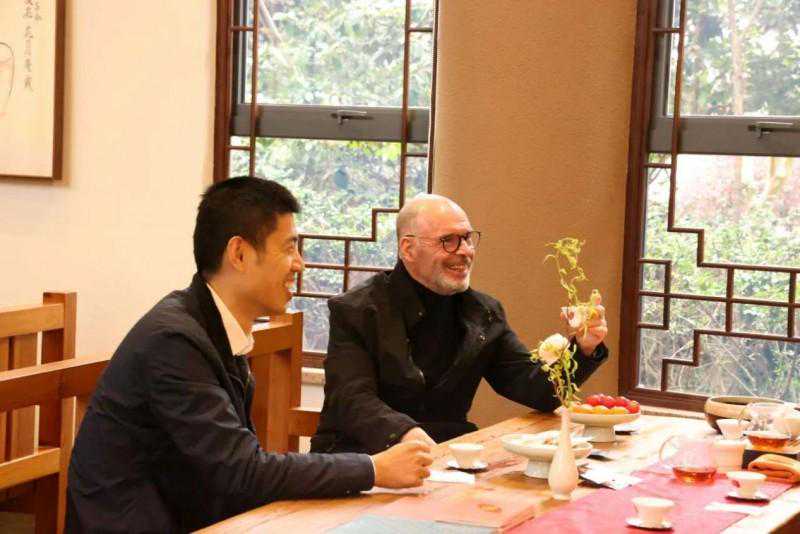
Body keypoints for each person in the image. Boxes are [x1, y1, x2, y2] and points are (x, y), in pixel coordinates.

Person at [66, 177, 432, 533]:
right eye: (288, 248)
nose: (300, 264)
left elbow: (238, 470)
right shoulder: (174, 341)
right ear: (239, 254)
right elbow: (242, 471)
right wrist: (373, 469)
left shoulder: (210, 323)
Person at [311, 194, 609, 454]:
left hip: (449, 455)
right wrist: (407, 434)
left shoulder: (483, 312)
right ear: (408, 249)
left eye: (467, 238)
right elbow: (352, 399)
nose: (465, 251)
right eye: (449, 241)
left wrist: (583, 348)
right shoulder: (357, 310)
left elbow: (535, 389)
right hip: (363, 456)